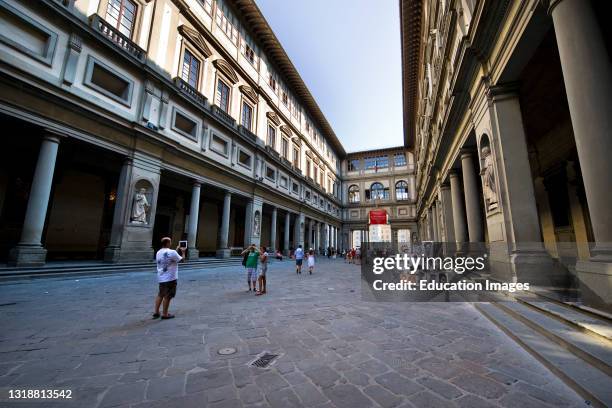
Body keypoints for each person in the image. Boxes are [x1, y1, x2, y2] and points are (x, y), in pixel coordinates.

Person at [153, 237, 182, 320]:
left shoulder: (158, 252)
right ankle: (165, 314)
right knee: (168, 296)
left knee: (160, 294)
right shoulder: (172, 252)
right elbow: (182, 260)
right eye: (170, 242)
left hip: (161, 277)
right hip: (170, 278)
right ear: (168, 243)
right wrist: (183, 252)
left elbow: (168, 258)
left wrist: (176, 250)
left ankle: (156, 312)